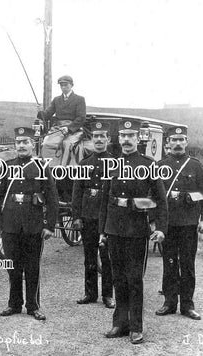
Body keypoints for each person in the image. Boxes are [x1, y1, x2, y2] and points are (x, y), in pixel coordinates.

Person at [98, 119, 168, 344]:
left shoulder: (148, 164)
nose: (127, 140)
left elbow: (161, 200)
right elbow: (104, 201)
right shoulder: (113, 164)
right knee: (118, 278)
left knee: (134, 279)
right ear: (119, 139)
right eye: (123, 136)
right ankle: (120, 323)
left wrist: (160, 228)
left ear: (138, 139)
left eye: (131, 136)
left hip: (137, 229)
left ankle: (136, 327)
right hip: (115, 228)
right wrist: (102, 230)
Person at [0, 127, 59, 320]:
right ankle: (13, 304)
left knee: (32, 267)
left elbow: (52, 198)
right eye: (18, 142)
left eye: (25, 142)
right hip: (10, 223)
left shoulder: (42, 167)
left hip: (33, 224)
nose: (21, 145)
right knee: (12, 266)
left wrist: (49, 225)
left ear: (32, 145)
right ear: (15, 145)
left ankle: (33, 306)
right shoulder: (7, 166)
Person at [155, 126, 203, 320]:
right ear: (168, 143)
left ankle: (187, 305)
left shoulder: (196, 165)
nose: (177, 143)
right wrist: (156, 223)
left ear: (186, 142)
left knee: (188, 264)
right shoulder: (160, 165)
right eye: (173, 140)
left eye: (181, 139)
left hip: (189, 223)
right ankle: (169, 302)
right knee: (169, 262)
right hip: (168, 224)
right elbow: (155, 197)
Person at [71, 121, 114, 308]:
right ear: (91, 139)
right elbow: (77, 192)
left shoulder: (115, 163)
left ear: (108, 139)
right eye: (95, 136)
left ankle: (107, 295)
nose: (98, 140)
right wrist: (76, 216)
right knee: (89, 256)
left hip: (107, 218)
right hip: (88, 216)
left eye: (102, 136)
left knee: (107, 257)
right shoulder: (84, 163)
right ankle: (90, 293)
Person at [37, 75, 87, 166]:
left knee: (67, 144)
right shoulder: (56, 100)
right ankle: (47, 169)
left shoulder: (79, 99)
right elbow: (47, 115)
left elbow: (81, 118)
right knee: (46, 144)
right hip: (58, 129)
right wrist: (40, 112)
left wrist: (69, 128)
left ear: (72, 85)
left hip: (74, 130)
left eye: (66, 85)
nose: (63, 87)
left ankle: (65, 169)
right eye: (61, 85)